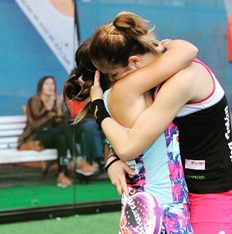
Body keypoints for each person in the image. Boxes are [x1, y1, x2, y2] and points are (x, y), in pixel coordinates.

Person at [88, 12, 232, 233]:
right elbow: (141, 137)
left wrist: (98, 109)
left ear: (134, 62)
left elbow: (129, 146)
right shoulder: (162, 71)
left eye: (113, 75)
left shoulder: (183, 79)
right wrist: (111, 159)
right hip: (185, 190)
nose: (114, 83)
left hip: (214, 191)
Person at [64, 38, 197, 233]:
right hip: (162, 207)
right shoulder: (127, 88)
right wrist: (162, 44)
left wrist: (111, 158)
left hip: (141, 205)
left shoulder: (110, 98)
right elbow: (187, 50)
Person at [18, 76, 96, 188]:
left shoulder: (55, 102)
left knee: (62, 138)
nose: (50, 86)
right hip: (36, 138)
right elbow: (35, 125)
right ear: (41, 86)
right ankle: (77, 159)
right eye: (47, 84)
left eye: (52, 84)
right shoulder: (34, 100)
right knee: (63, 130)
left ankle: (61, 174)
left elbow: (60, 123)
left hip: (52, 136)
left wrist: (59, 109)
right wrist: (50, 112)